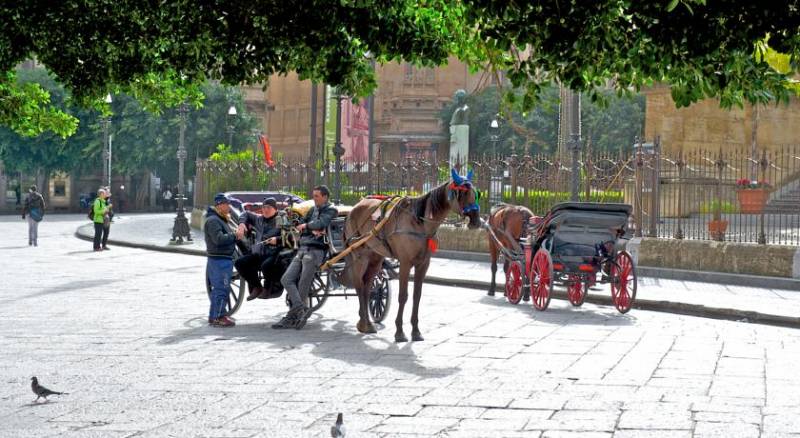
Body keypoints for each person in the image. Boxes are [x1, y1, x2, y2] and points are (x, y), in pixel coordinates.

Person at [274, 185, 337, 330]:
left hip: (316, 251)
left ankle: (292, 315)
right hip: (302, 249)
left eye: (316, 196)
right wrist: (301, 224)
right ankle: (300, 308)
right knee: (286, 279)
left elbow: (321, 223)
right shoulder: (312, 210)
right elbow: (301, 223)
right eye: (313, 195)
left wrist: (308, 226)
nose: (313, 198)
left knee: (303, 285)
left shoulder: (331, 209)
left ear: (325, 197)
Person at [204, 193, 245, 327]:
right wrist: (235, 235)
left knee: (220, 288)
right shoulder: (213, 221)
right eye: (227, 204)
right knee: (222, 288)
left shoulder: (219, 219)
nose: (229, 207)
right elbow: (218, 239)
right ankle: (219, 317)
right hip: (219, 259)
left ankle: (214, 316)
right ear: (220, 205)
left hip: (221, 258)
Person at [234, 197, 283, 301]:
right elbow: (245, 214)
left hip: (274, 254)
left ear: (275, 209)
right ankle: (256, 286)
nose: (265, 209)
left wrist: (277, 239)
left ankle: (268, 288)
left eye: (269, 207)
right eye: (264, 207)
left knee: (266, 265)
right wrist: (242, 224)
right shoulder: (258, 219)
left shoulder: (280, 219)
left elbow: (289, 235)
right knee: (239, 263)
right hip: (259, 254)